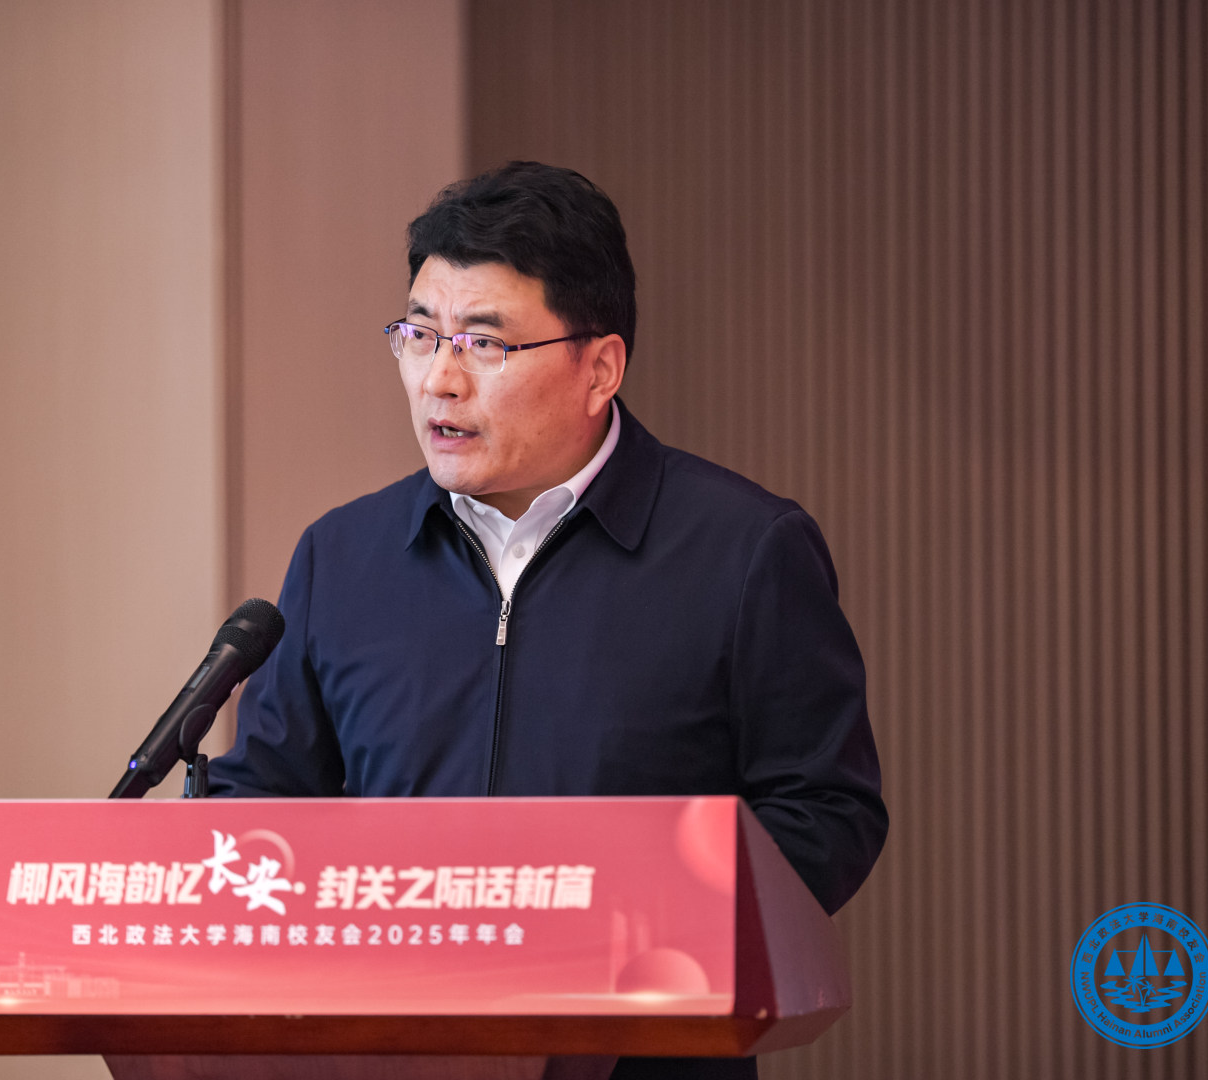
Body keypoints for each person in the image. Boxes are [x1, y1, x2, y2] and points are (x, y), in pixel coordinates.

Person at [211, 161, 887, 1079]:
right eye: (418, 334)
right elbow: (263, 805)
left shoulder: (743, 551)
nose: (439, 381)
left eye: (484, 344)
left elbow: (826, 812)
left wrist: (642, 941)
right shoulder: (343, 556)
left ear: (599, 367)